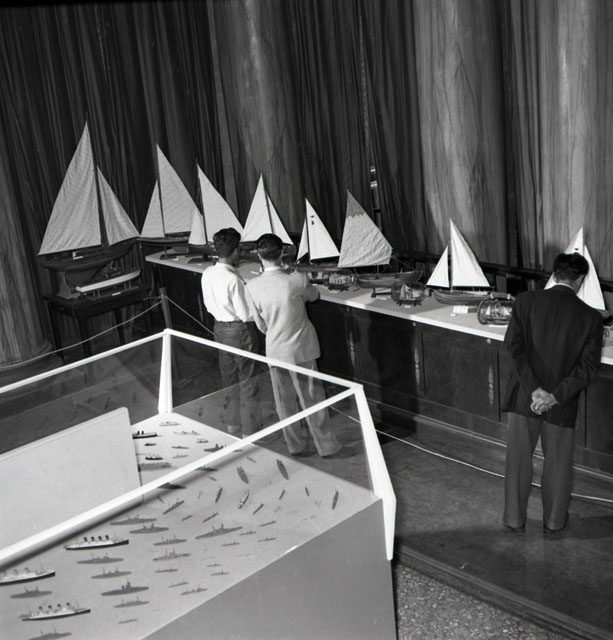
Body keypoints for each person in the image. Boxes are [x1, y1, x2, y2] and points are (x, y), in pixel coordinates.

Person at [501, 252, 603, 534]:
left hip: (524, 396)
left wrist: (534, 390)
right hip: (562, 403)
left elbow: (513, 349)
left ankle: (514, 519)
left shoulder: (525, 301)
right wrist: (554, 396)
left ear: (554, 275)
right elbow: (587, 369)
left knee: (518, 460)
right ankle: (555, 522)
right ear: (581, 279)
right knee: (558, 464)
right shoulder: (591, 318)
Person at [245, 233, 345, 458]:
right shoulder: (297, 279)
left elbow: (260, 325)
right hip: (302, 348)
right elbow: (314, 295)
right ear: (281, 253)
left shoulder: (251, 286)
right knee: (313, 399)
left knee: (284, 401)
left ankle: (295, 446)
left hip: (275, 349)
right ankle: (327, 447)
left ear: (259, 256)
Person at [201, 228, 261, 437]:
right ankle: (252, 431)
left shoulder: (207, 273)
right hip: (239, 331)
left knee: (228, 379)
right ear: (236, 251)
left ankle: (232, 425)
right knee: (248, 380)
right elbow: (245, 314)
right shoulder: (233, 280)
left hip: (219, 329)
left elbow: (208, 304)